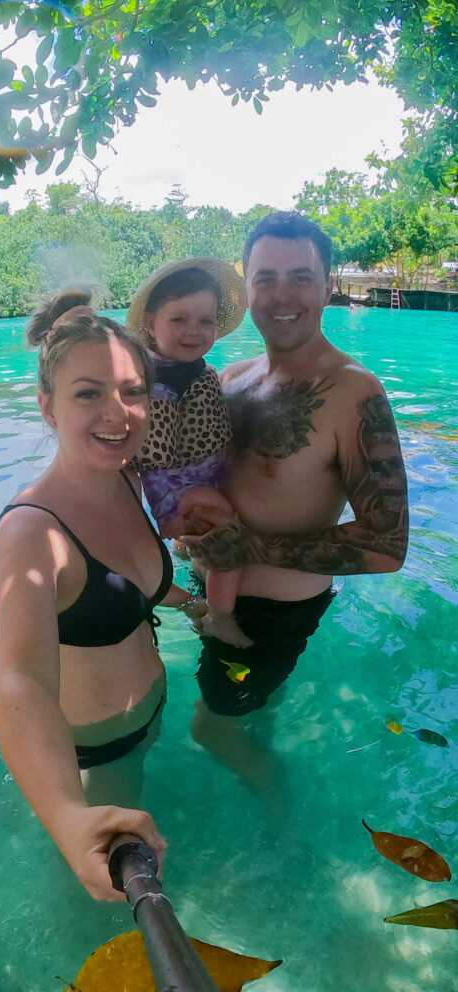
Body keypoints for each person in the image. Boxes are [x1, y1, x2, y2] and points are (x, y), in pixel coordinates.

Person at [183, 212, 409, 781]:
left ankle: (281, 828)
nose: (282, 295)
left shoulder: (353, 392)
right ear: (247, 285)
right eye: (266, 278)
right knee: (248, 712)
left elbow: (388, 545)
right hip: (211, 592)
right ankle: (268, 736)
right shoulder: (229, 379)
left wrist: (247, 550)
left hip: (271, 621)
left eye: (301, 277)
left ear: (329, 285)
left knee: (209, 728)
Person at [0, 290, 197, 901]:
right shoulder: (32, 533)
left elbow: (133, 585)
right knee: (97, 897)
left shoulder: (127, 480)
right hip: (94, 752)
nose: (119, 412)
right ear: (48, 409)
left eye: (133, 392)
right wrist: (65, 816)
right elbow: (20, 677)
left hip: (149, 716)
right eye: (89, 393)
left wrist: (198, 608)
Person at [125, 258, 251, 647]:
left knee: (206, 531)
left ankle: (183, 549)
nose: (193, 332)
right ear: (150, 323)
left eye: (205, 322)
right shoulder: (147, 381)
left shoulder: (194, 372)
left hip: (193, 482)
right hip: (178, 492)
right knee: (233, 538)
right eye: (178, 320)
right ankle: (220, 615)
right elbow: (149, 452)